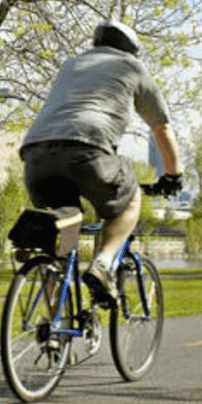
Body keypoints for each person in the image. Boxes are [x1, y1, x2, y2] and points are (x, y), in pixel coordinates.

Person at [19, 20, 183, 303]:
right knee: (130, 200)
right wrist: (173, 175)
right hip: (88, 148)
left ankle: (55, 329)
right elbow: (161, 126)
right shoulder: (132, 67)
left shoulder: (70, 66)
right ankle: (103, 264)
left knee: (65, 228)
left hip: (35, 154)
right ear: (131, 50)